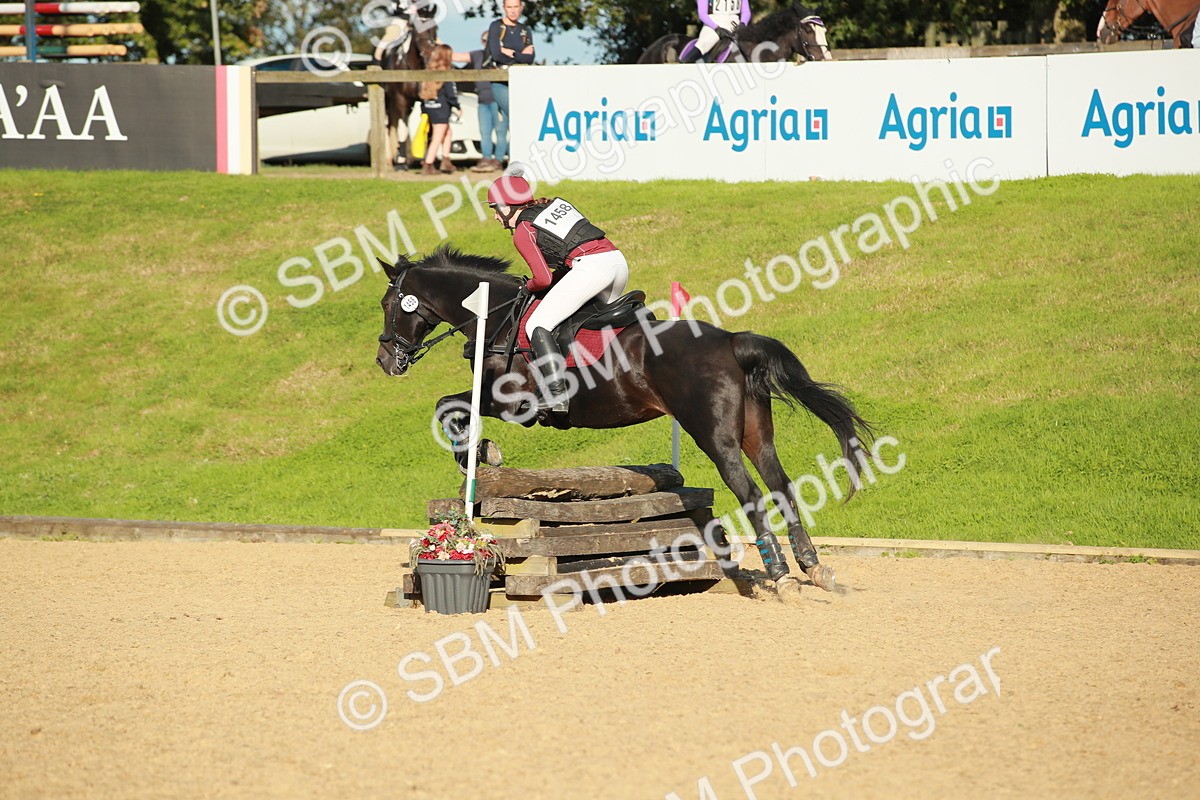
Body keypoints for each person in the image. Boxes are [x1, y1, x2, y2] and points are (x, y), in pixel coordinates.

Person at [487, 164, 629, 414]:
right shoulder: (553, 204)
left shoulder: (523, 231)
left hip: (593, 269)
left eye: (495, 209)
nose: (496, 217)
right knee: (572, 320)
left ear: (507, 205)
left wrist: (526, 286)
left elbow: (542, 279)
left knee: (536, 325)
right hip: (618, 263)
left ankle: (557, 395)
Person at [485, 0, 535, 167]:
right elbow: (496, 55)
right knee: (515, 114)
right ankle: (514, 159)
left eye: (516, 7)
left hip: (520, 80)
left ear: (521, 8)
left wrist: (512, 52)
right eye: (509, 7)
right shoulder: (496, 27)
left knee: (505, 121)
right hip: (500, 79)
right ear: (504, 8)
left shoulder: (524, 30)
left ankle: (503, 160)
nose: (513, 11)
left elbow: (531, 58)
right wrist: (520, 54)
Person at [452, 32, 503, 171]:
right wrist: (437, 45)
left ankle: (498, 160)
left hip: (498, 100)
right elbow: (456, 57)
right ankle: (486, 159)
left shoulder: (502, 57)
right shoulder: (477, 55)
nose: (488, 43)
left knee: (500, 131)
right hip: (482, 100)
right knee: (484, 131)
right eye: (485, 40)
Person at [419, 43, 461, 175]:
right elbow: (450, 93)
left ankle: (445, 159)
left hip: (431, 106)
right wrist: (457, 107)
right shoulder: (446, 73)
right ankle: (428, 164)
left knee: (448, 132)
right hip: (442, 108)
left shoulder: (429, 71)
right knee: (437, 137)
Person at [681, 0, 752, 63]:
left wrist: (743, 23)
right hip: (714, 22)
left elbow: (746, 11)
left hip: (735, 23)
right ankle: (685, 61)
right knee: (704, 43)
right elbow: (702, 14)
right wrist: (716, 28)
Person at [373, 0, 413, 65]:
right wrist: (403, 9)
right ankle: (377, 60)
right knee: (384, 43)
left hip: (410, 24)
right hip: (398, 23)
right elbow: (392, 8)